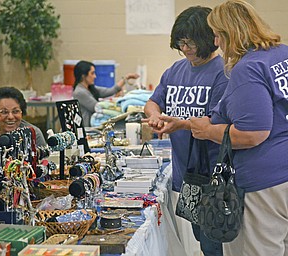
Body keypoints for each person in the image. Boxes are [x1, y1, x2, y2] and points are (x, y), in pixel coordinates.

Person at [189, 1, 288, 256]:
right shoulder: (281, 53)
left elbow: (253, 133)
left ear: (231, 33)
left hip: (264, 181)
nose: (216, 41)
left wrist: (207, 130)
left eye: (218, 35)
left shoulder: (248, 68)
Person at [142, 6, 228, 256]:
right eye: (181, 43)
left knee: (215, 244)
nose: (185, 49)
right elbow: (152, 102)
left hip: (213, 177)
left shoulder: (223, 73)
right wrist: (155, 116)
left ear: (207, 39)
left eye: (190, 43)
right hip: (186, 174)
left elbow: (215, 123)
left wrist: (180, 124)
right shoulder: (175, 70)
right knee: (202, 239)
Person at [0, 86, 46, 196]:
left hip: (32, 196)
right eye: (4, 112)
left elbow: (45, 167)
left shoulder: (34, 133)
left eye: (15, 111)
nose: (10, 117)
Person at [73, 60, 139, 127]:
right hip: (87, 128)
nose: (95, 76)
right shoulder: (79, 92)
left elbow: (111, 90)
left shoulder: (91, 88)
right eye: (92, 73)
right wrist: (114, 102)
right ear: (83, 76)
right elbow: (97, 107)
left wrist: (126, 78)